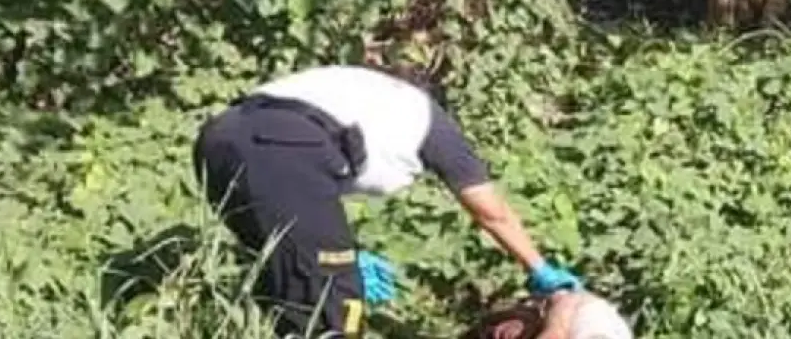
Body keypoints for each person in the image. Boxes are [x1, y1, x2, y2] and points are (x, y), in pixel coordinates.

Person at [191, 62, 584, 338]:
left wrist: (344, 251)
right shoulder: (428, 119)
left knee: (288, 279)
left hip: (218, 141)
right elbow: (490, 210)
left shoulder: (357, 91)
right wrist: (539, 268)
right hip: (281, 150)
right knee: (336, 301)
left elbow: (302, 201)